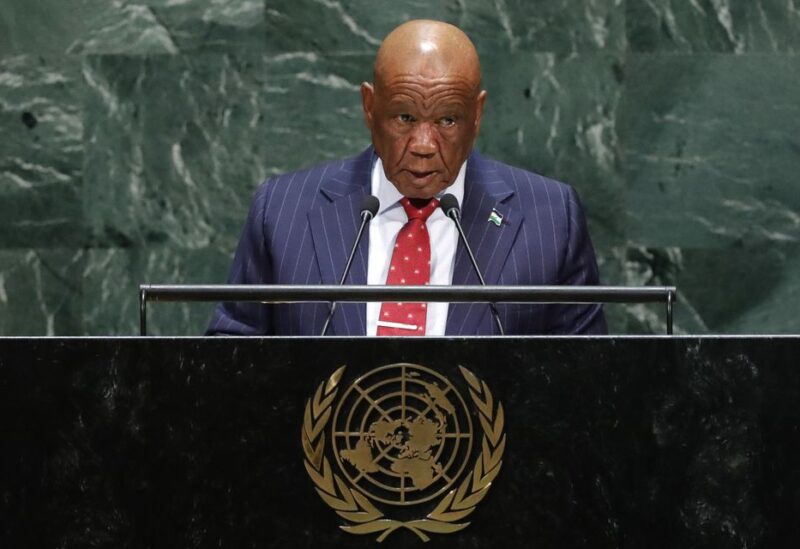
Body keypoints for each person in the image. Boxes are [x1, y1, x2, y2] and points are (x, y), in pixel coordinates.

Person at [207, 20, 607, 336]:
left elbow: (586, 383)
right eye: (405, 118)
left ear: (477, 114)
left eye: (448, 120)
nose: (423, 144)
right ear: (369, 106)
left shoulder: (551, 219)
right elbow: (231, 365)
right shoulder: (282, 212)